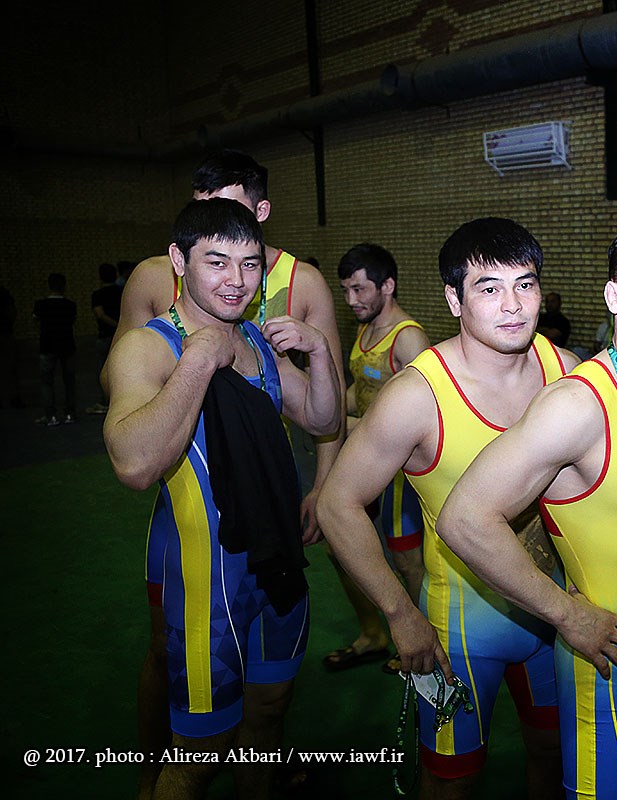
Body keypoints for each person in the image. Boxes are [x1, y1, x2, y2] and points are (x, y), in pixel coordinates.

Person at [438, 216, 617, 800]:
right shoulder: (576, 407)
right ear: (615, 296)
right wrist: (567, 615)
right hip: (608, 672)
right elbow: (464, 519)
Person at [105, 150, 343, 798]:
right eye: (216, 262)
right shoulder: (150, 346)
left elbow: (323, 419)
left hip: (276, 562)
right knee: (200, 754)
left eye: (249, 264)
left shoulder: (258, 340)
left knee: (267, 718)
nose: (237, 281)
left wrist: (321, 353)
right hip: (203, 578)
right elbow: (133, 463)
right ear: (179, 262)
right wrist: (199, 358)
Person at [318, 218, 578, 799]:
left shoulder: (568, 373)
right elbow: (337, 504)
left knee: (552, 753)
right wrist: (399, 612)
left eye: (525, 284)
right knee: (450, 778)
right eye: (489, 288)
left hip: (554, 616)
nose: (512, 305)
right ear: (455, 300)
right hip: (460, 628)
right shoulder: (418, 395)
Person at [323, 242, 429, 673]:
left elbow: (428, 410)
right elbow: (362, 391)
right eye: (346, 290)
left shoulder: (408, 338)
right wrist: (325, 409)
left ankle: (422, 641)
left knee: (407, 559)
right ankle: (373, 634)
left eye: (360, 289)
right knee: (341, 548)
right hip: (366, 456)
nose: (352, 300)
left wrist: (350, 424)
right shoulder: (366, 330)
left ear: (387, 286)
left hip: (401, 465)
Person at [33, 272, 77, 426]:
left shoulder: (40, 305)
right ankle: (70, 414)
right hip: (67, 345)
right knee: (69, 382)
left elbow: (36, 321)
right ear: (64, 286)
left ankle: (50, 416)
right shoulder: (70, 305)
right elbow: (72, 321)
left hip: (47, 346)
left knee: (47, 382)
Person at [86, 262, 123, 414]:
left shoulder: (98, 294)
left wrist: (114, 325)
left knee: (104, 369)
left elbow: (100, 314)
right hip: (122, 335)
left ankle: (106, 402)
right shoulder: (122, 291)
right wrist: (120, 325)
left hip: (105, 335)